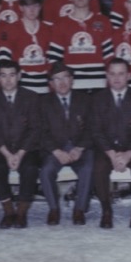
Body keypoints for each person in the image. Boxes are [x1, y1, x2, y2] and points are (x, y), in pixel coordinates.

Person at [91, 58, 131, 229]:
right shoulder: (97, 99)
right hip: (106, 148)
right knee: (99, 168)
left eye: (121, 73)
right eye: (112, 74)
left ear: (129, 76)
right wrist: (110, 153)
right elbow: (96, 131)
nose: (117, 78)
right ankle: (106, 211)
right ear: (107, 76)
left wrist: (129, 153)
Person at [0, 60, 42, 229]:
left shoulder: (31, 97)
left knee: (30, 168)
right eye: (3, 76)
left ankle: (22, 212)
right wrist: (8, 154)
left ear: (19, 76)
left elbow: (35, 129)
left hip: (26, 148)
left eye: (12, 75)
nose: (8, 80)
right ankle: (9, 211)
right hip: (1, 148)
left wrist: (20, 153)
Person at [39, 62, 94, 226]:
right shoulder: (43, 103)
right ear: (51, 84)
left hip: (80, 147)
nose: (62, 83)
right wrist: (56, 151)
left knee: (88, 168)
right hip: (55, 149)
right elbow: (40, 132)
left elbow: (93, 128)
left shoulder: (86, 100)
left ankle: (80, 209)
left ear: (72, 80)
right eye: (57, 79)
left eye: (65, 78)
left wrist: (79, 148)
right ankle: (54, 209)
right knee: (46, 170)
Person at [47, 0, 114, 91]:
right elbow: (54, 59)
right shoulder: (60, 24)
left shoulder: (103, 21)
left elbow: (109, 56)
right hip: (72, 85)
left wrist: (110, 82)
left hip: (99, 83)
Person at [8, 0, 54, 94]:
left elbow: (52, 58)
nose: (32, 10)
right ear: (21, 8)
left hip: (43, 85)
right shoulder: (12, 29)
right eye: (28, 6)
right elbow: (6, 59)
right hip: (21, 86)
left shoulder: (48, 29)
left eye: (36, 6)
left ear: (40, 7)